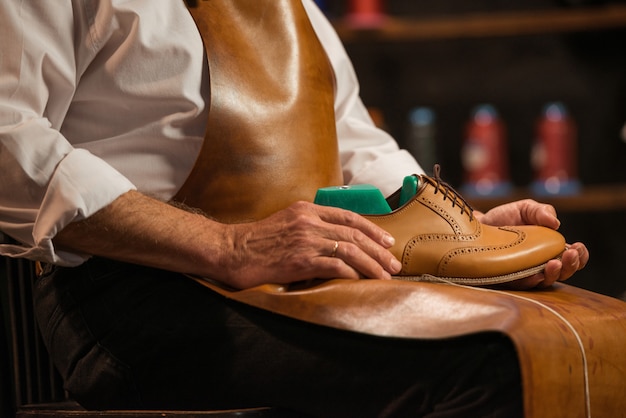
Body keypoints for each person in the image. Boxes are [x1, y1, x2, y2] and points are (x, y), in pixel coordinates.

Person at [0, 1, 588, 417]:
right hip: (136, 293)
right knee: (492, 367)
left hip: (296, 280)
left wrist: (460, 233)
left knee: (566, 346)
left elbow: (352, 141)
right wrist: (230, 247)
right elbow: (9, 135)